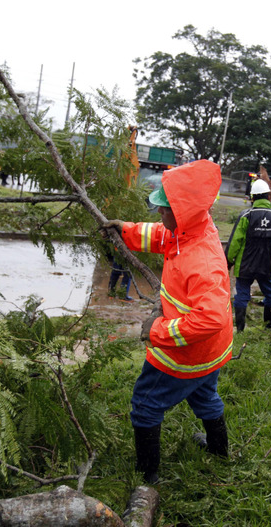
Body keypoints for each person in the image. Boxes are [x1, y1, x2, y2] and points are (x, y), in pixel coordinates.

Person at [103, 159, 234, 484]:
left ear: (184, 211)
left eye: (165, 209)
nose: (159, 214)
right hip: (210, 353)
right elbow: (163, 236)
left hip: (185, 353)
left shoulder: (201, 262)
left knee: (145, 403)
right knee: (204, 396)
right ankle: (219, 450)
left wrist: (158, 330)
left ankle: (147, 477)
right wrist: (126, 231)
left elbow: (211, 318)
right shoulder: (192, 229)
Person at [225, 179, 271, 331]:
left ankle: (240, 328)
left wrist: (228, 263)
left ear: (252, 198)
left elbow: (234, 242)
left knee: (242, 295)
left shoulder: (245, 216)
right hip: (268, 267)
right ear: (268, 197)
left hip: (245, 266)